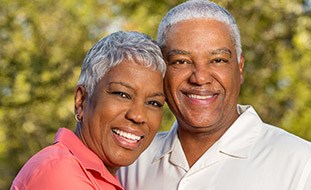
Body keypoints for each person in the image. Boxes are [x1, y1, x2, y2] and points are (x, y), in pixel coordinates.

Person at [117, 0, 311, 189]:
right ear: (161, 70)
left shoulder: (301, 163)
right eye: (181, 61)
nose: (200, 78)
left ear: (240, 67)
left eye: (217, 60)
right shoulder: (130, 161)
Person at [10, 31, 166, 190]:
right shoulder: (60, 172)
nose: (138, 115)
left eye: (153, 103)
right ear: (81, 100)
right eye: (122, 94)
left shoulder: (103, 177)